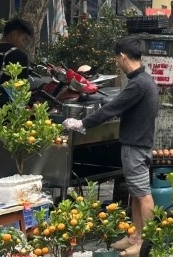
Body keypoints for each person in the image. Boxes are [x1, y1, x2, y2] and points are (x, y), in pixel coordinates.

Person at [62, 36, 158, 257]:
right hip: (136, 143)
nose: (118, 63)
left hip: (136, 145)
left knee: (143, 194)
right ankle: (135, 236)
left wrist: (82, 123)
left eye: (117, 59)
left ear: (123, 57)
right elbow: (117, 104)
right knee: (135, 193)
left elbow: (112, 108)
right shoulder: (144, 80)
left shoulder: (138, 84)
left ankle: (146, 244)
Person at [0, 18, 34, 87]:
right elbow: (20, 89)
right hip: (3, 97)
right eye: (24, 39)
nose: (23, 44)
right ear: (13, 34)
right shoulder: (19, 56)